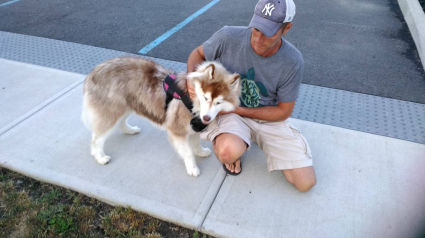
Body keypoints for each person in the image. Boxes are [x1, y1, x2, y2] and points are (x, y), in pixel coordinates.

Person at [187, 0, 316, 192]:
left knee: (305, 183)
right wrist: (193, 80)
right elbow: (197, 54)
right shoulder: (228, 35)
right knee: (227, 152)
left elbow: (283, 111)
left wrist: (238, 109)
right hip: (231, 114)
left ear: (286, 28)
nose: (258, 39)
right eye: (256, 29)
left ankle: (248, 138)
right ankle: (235, 141)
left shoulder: (293, 61)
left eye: (268, 33)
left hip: (264, 116)